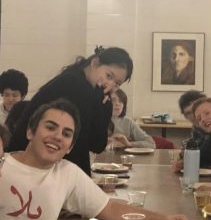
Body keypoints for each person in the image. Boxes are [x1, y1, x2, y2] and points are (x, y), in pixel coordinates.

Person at [0, 99, 192, 220]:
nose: (57, 137)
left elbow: (111, 209)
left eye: (67, 134)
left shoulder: (66, 173)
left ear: (70, 147)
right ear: (30, 132)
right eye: (50, 127)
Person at [7, 47, 133, 175]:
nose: (110, 84)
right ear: (94, 63)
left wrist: (104, 105)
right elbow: (80, 146)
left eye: (117, 84)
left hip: (44, 165)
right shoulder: (73, 84)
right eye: (108, 75)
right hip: (27, 166)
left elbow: (97, 144)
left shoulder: (93, 92)